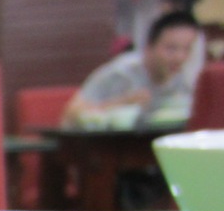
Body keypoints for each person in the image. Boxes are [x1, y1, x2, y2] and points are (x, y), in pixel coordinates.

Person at [62, 10, 202, 128]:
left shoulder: (179, 79)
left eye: (187, 49)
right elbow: (70, 115)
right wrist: (124, 102)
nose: (180, 57)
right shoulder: (120, 73)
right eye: (171, 49)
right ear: (149, 47)